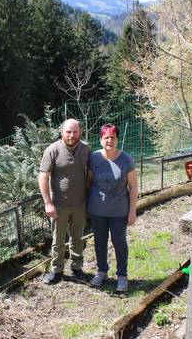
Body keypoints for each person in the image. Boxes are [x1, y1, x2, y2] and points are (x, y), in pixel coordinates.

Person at [86, 123, 138, 292]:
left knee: (119, 242)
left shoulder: (126, 159)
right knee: (100, 241)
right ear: (100, 140)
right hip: (97, 210)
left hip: (119, 211)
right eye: (106, 137)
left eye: (113, 137)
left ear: (117, 139)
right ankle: (102, 271)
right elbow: (89, 181)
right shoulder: (94, 158)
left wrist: (132, 212)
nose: (109, 140)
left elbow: (133, 187)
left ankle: (122, 275)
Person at [39, 119, 91, 284]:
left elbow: (90, 173)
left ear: (80, 132)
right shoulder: (52, 150)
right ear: (62, 132)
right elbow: (43, 176)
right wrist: (48, 202)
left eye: (75, 132)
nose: (71, 135)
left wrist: (89, 196)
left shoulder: (86, 149)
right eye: (68, 132)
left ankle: (77, 268)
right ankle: (57, 270)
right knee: (58, 239)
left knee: (78, 238)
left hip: (80, 204)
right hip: (59, 205)